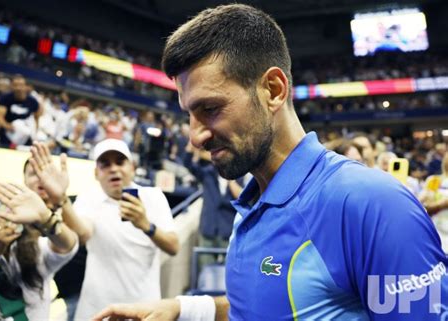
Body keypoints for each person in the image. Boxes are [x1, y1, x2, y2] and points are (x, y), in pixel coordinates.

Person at [93, 4, 448, 321]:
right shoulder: (251, 204)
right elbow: (268, 306)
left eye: (211, 109)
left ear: (274, 90)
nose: (195, 137)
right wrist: (182, 309)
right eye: (190, 114)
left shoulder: (372, 204)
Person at [45, 138, 179, 320]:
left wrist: (145, 225)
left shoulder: (153, 197)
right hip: (96, 309)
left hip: (143, 308)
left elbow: (173, 247)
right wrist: (62, 200)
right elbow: (83, 233)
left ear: (132, 167)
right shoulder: (89, 199)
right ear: (96, 173)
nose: (114, 169)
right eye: (105, 164)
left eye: (120, 162)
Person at [0, 180, 78, 320]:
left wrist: (45, 217)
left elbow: (67, 246)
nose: (6, 213)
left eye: (11, 205)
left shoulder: (33, 250)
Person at [0, 74, 41, 147]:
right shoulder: (5, 98)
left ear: (26, 86)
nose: (18, 88)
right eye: (15, 85)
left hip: (25, 136)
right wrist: (8, 127)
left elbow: (37, 118)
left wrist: (34, 133)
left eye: (21, 85)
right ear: (12, 86)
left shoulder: (33, 101)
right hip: (7, 135)